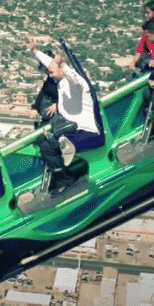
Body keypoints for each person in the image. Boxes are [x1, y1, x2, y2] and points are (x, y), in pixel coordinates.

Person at [28, 40, 99, 193]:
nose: (50, 74)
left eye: (53, 71)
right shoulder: (59, 80)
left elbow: (72, 76)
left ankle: (65, 179)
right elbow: (51, 65)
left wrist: (64, 63)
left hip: (81, 128)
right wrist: (35, 51)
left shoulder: (75, 82)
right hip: (70, 125)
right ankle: (62, 179)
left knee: (50, 144)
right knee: (44, 142)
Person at [30, 50, 59, 128]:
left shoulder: (64, 80)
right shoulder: (50, 81)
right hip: (49, 116)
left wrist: (57, 104)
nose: (47, 72)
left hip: (62, 116)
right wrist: (35, 108)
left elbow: (70, 96)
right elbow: (43, 93)